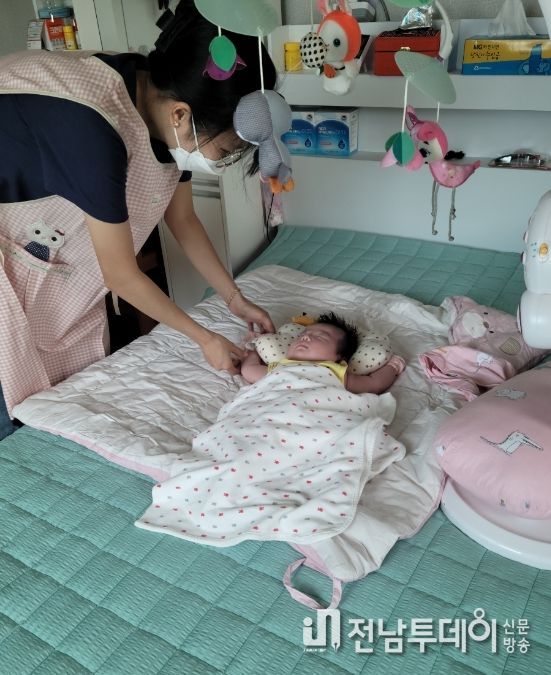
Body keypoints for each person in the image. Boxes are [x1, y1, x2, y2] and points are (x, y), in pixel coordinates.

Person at [0, 0, 277, 439]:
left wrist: (234, 298)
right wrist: (205, 339)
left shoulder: (162, 103)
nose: (222, 162)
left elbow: (183, 219)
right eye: (225, 152)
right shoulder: (92, 126)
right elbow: (120, 274)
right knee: (12, 406)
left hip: (47, 253)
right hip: (17, 249)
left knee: (64, 399)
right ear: (181, 115)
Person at [241, 312, 406, 392]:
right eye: (302, 334)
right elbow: (248, 370)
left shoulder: (333, 371)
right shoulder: (279, 368)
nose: (305, 337)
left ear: (339, 357)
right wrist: (254, 349)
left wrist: (392, 366)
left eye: (319, 337)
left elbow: (374, 383)